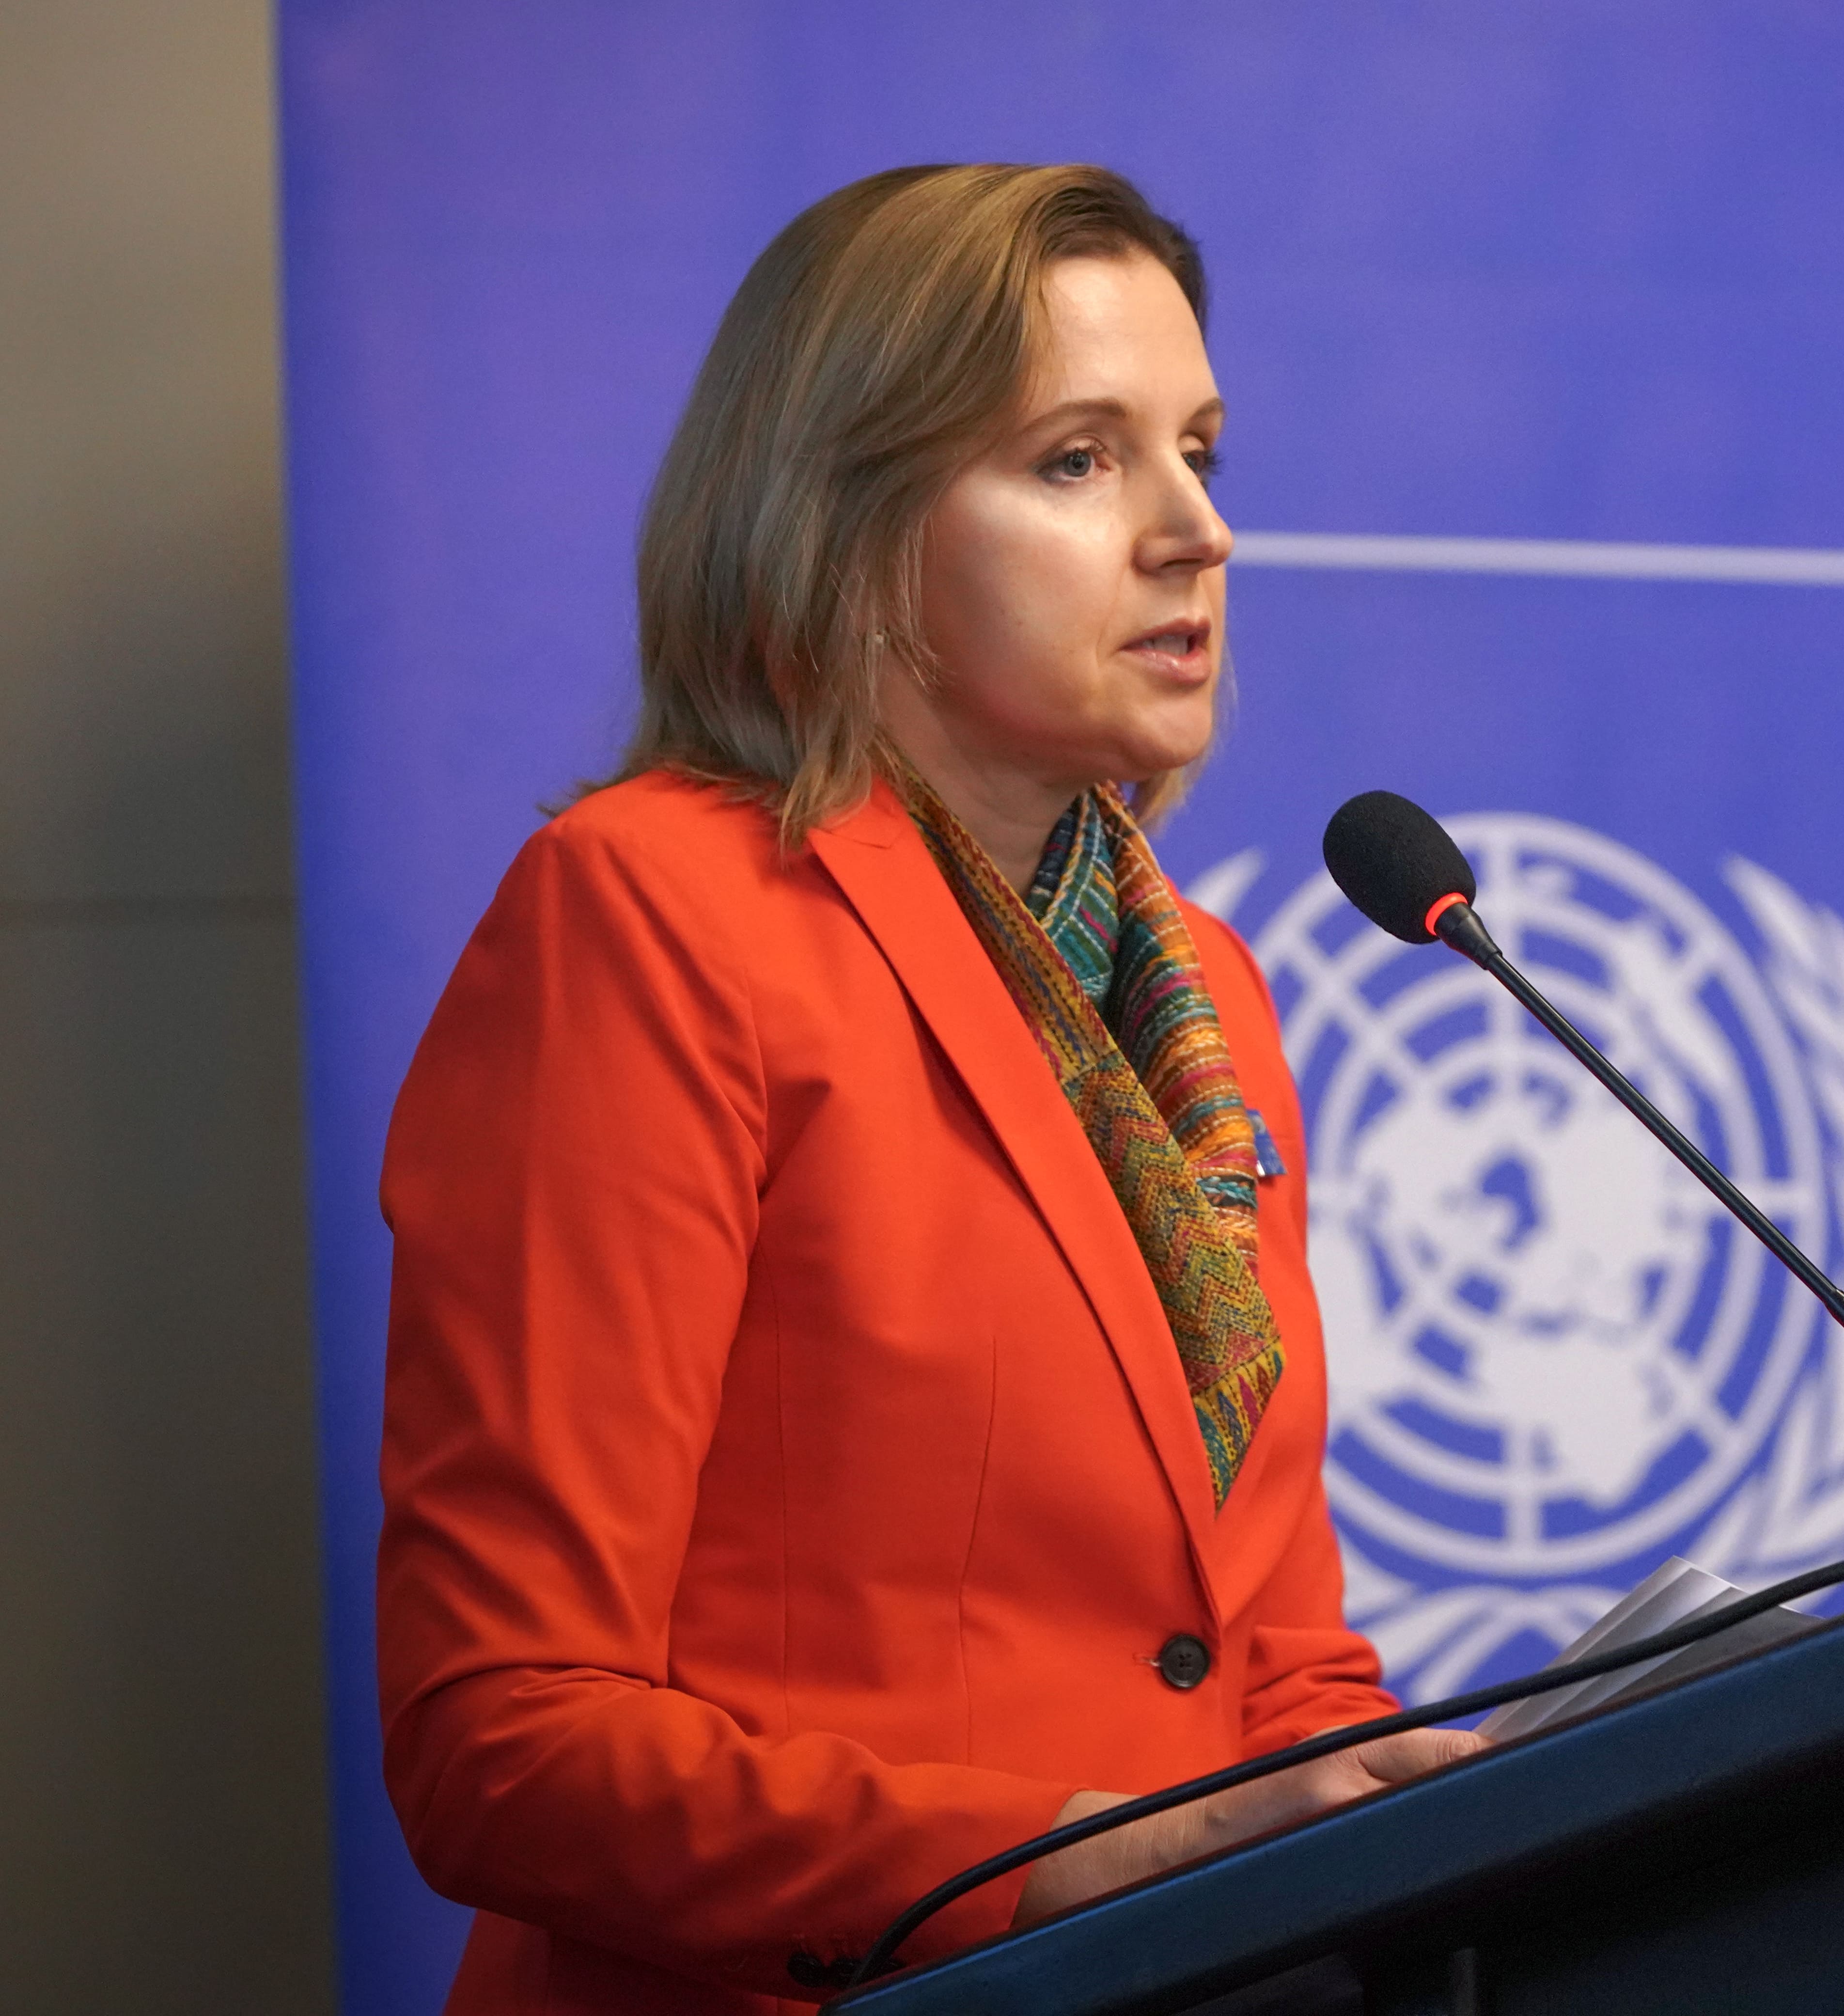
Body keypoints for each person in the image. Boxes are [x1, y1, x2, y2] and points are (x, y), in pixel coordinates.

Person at [377, 164, 1477, 2014]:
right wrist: (1073, 1861)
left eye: (1201, 450)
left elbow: (1268, 1656)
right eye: (1077, 459)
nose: (1194, 529)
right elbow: (507, 1742)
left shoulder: (1201, 994)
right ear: (848, 528)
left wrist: (1396, 1799)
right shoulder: (655, 915)